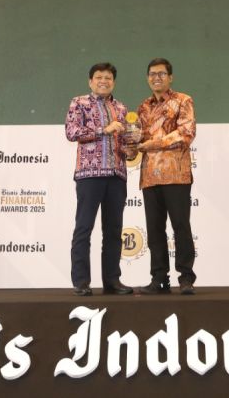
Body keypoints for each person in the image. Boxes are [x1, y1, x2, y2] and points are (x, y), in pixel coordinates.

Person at [65, 63, 134, 296]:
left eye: (108, 78)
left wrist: (131, 149)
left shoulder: (121, 108)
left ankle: (112, 281)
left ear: (113, 82)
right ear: (90, 81)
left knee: (114, 230)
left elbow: (122, 143)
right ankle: (81, 282)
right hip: (89, 175)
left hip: (116, 175)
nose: (103, 81)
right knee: (84, 227)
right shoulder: (79, 103)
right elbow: (71, 132)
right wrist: (104, 129)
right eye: (99, 77)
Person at [135, 58, 197, 295]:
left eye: (161, 74)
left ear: (170, 77)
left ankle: (186, 278)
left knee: (180, 226)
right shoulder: (143, 107)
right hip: (150, 176)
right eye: (152, 74)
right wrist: (131, 144)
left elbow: (186, 133)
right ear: (147, 78)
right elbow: (140, 138)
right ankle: (159, 279)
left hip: (176, 174)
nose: (156, 78)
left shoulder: (183, 100)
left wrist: (152, 144)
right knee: (154, 230)